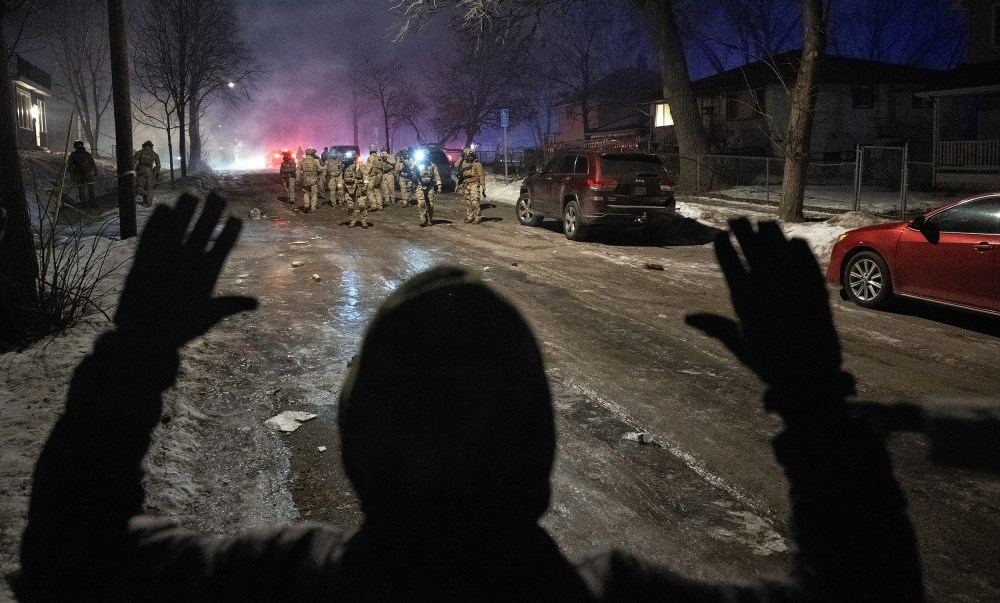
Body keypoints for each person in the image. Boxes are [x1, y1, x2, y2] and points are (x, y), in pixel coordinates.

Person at [16, 197, 924, 602]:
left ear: (361, 438)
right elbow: (867, 591)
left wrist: (134, 358)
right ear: (538, 448)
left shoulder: (277, 585)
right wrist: (812, 398)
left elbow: (70, 565)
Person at [455, 146, 485, 223]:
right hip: (466, 184)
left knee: (475, 201)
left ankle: (477, 217)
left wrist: (483, 186)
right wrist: (462, 156)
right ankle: (470, 216)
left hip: (474, 183)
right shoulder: (464, 163)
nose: (470, 157)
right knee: (468, 202)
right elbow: (456, 165)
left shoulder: (477, 164)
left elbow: (481, 175)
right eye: (469, 155)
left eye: (472, 156)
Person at [411, 152, 441, 227]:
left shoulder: (432, 166)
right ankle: (423, 219)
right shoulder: (417, 164)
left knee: (430, 204)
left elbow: (437, 175)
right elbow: (412, 169)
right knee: (421, 203)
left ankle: (430, 219)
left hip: (430, 186)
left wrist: (439, 185)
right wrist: (416, 161)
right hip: (420, 186)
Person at [67, 140, 97, 207]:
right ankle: (90, 202)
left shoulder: (73, 155)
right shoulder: (86, 154)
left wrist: (72, 175)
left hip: (80, 174)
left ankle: (85, 203)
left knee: (82, 188)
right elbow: (92, 163)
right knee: (89, 187)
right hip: (86, 173)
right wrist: (95, 171)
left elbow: (71, 166)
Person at [342, 154, 370, 228]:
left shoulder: (362, 166)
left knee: (361, 205)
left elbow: (366, 175)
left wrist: (365, 184)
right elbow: (344, 178)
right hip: (350, 188)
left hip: (360, 188)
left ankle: (363, 221)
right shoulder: (348, 167)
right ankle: (352, 220)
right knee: (350, 206)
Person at [132, 140, 161, 207]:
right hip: (150, 171)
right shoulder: (154, 154)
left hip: (141, 171)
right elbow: (158, 164)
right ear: (151, 146)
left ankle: (144, 195)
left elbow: (133, 161)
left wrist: (133, 170)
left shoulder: (140, 152)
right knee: (149, 187)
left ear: (144, 145)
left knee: (140, 186)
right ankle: (148, 202)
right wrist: (157, 172)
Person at [297, 148, 322, 214]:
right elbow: (319, 169)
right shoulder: (315, 161)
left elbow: (298, 171)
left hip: (305, 179)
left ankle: (306, 205)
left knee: (306, 193)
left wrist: (298, 179)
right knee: (314, 194)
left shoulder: (302, 161)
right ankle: (313, 208)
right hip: (313, 179)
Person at [364, 144, 385, 211]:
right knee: (377, 190)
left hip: (372, 177)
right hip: (379, 177)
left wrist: (365, 175)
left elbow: (368, 168)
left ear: (370, 151)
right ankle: (380, 205)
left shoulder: (371, 157)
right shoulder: (380, 158)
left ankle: (374, 205)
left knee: (369, 190)